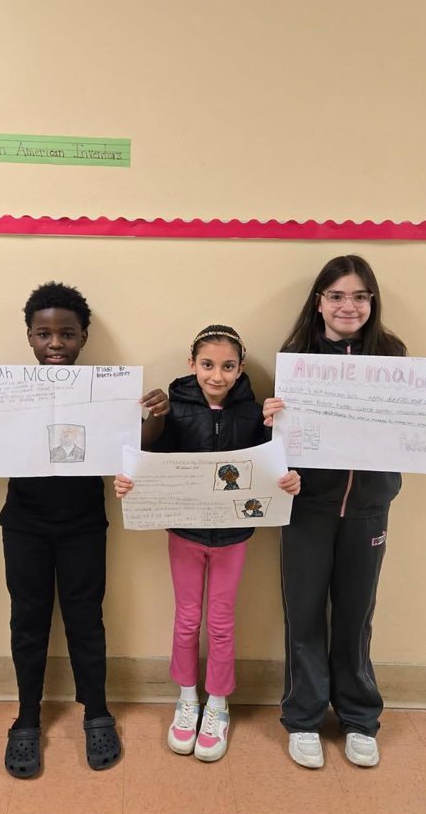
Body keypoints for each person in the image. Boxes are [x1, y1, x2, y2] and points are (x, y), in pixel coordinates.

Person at [263, 254, 426, 770]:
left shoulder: (396, 360)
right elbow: (280, 446)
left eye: (358, 296)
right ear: (319, 303)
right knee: (304, 614)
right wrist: (274, 423)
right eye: (336, 296)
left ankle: (358, 718)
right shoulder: (297, 358)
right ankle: (304, 718)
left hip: (369, 510)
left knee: (355, 617)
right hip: (306, 509)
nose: (347, 306)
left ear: (371, 303)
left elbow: (412, 430)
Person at [0, 281, 144, 779]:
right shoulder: (6, 393)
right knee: (27, 620)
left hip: (83, 525)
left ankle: (96, 711)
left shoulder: (105, 391)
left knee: (85, 618)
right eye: (44, 334)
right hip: (25, 525)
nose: (56, 344)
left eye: (67, 334)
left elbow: (133, 450)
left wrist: (151, 418)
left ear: (84, 337)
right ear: (29, 337)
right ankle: (26, 716)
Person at [115, 325, 301, 763]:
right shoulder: (172, 410)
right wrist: (130, 482)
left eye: (228, 366)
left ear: (240, 368)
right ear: (191, 364)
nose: (217, 375)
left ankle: (218, 704)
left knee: (220, 621)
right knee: (187, 620)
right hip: (184, 534)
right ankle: (186, 699)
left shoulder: (255, 414)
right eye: (207, 365)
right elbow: (147, 459)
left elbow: (271, 469)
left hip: (233, 538)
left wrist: (288, 480)